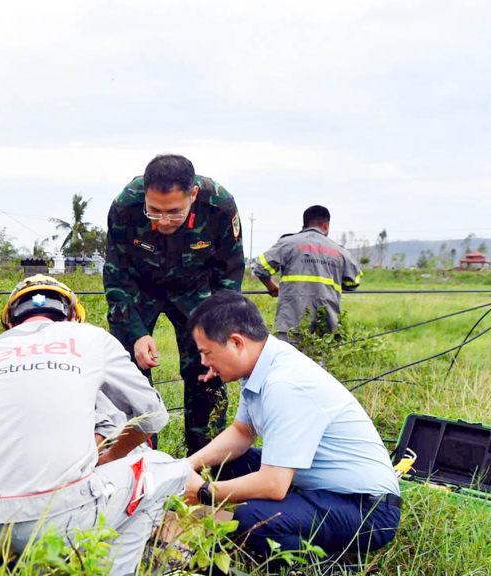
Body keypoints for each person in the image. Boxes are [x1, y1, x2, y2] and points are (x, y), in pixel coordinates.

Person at [0, 275, 190, 576]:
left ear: (10, 323)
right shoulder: (91, 338)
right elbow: (153, 416)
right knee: (166, 468)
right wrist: (112, 456)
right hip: (54, 518)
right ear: (73, 317)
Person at [183, 291, 400, 567]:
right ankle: (253, 530)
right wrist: (186, 467)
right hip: (317, 486)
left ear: (237, 342)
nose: (204, 363)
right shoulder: (260, 366)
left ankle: (332, 566)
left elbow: (274, 484)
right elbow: (242, 432)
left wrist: (203, 491)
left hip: (367, 509)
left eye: (207, 353)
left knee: (252, 520)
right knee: (227, 462)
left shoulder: (285, 384)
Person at [104, 154, 245, 454]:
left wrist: (217, 331)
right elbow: (117, 278)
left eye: (174, 212)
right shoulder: (124, 207)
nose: (164, 221)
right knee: (127, 368)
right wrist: (136, 333)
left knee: (207, 368)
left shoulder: (220, 207)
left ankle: (205, 460)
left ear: (193, 195)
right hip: (140, 287)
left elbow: (229, 277)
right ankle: (137, 457)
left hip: (195, 288)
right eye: (154, 211)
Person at [251, 205, 362, 343]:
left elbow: (259, 267)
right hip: (326, 327)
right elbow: (353, 283)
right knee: (320, 364)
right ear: (326, 226)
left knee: (288, 363)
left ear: (303, 226)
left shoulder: (288, 244)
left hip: (290, 325)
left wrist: (271, 286)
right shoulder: (341, 252)